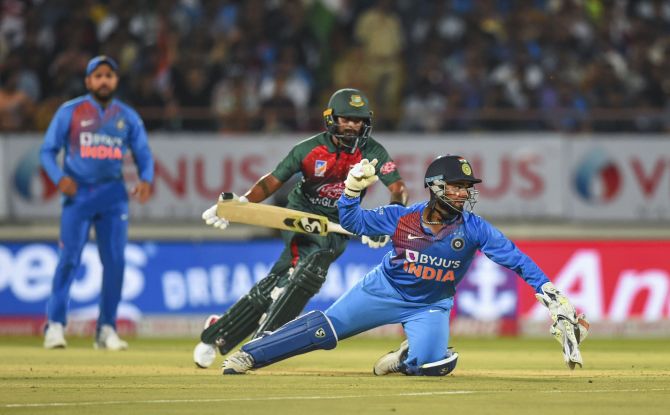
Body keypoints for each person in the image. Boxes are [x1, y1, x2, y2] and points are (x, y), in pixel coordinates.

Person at [220, 155, 590, 375]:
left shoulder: (476, 229)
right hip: (382, 290)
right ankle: (250, 355)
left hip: (431, 304)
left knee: (434, 365)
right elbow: (353, 223)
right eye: (457, 186)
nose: (464, 193)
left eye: (467, 187)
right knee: (325, 332)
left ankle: (405, 358)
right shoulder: (403, 217)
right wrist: (351, 191)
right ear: (435, 186)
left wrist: (553, 296)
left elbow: (519, 262)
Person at [193, 88, 408, 368]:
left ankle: (219, 331)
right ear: (332, 119)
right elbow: (272, 181)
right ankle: (260, 343)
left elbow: (398, 188)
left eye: (358, 120)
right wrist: (242, 204)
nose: (353, 126)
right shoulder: (309, 149)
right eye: (346, 119)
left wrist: (386, 221)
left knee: (284, 279)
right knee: (309, 269)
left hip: (341, 222)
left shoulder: (374, 151)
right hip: (302, 214)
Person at [40, 56, 154, 350]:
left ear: (116, 81)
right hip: (78, 195)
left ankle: (106, 328)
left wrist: (146, 179)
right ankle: (54, 326)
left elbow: (143, 152)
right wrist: (58, 178)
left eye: (109, 75)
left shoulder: (126, 116)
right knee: (68, 259)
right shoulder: (70, 112)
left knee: (115, 262)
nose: (104, 80)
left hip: (114, 195)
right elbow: (47, 151)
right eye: (98, 75)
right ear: (88, 81)